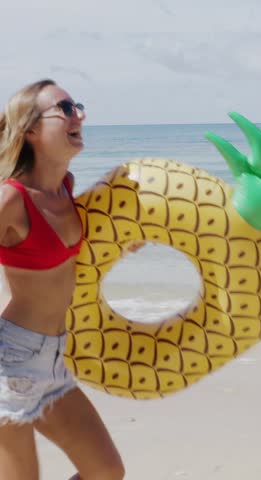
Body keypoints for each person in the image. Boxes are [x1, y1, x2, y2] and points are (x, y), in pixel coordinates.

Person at [0, 79, 125, 479]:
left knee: (106, 471)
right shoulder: (11, 199)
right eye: (66, 109)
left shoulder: (65, 189)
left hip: (57, 360)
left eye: (78, 106)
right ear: (32, 130)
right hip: (11, 363)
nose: (79, 115)